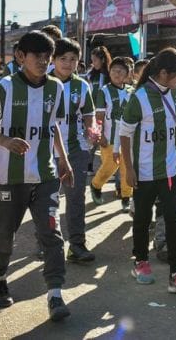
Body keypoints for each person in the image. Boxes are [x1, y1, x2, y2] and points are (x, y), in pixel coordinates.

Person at [0, 31, 73, 321]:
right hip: (9, 177)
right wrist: (6, 142)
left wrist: (64, 159)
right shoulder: (5, 87)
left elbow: (54, 125)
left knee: (51, 233)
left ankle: (56, 294)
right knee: (4, 234)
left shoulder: (56, 88)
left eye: (48, 57)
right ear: (21, 57)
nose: (44, 62)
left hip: (46, 174)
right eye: (38, 56)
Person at [120, 48, 176, 294]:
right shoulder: (139, 97)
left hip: (171, 171)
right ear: (163, 73)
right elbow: (125, 135)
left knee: (174, 221)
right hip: (144, 173)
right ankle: (140, 262)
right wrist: (128, 170)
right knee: (141, 219)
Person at [51, 38, 98, 263]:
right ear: (53, 59)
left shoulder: (82, 85)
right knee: (47, 199)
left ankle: (77, 245)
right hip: (45, 151)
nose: (68, 64)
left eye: (73, 59)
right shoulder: (42, 81)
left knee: (76, 197)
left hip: (76, 149)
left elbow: (89, 114)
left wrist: (92, 129)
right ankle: (48, 241)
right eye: (63, 59)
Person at [91, 56, 135, 210]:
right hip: (109, 138)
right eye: (114, 70)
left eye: (121, 71)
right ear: (109, 72)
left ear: (127, 74)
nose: (117, 73)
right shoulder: (104, 91)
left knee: (126, 168)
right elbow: (99, 115)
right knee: (110, 166)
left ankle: (126, 197)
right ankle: (96, 185)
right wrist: (100, 134)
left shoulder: (132, 91)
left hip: (128, 139)